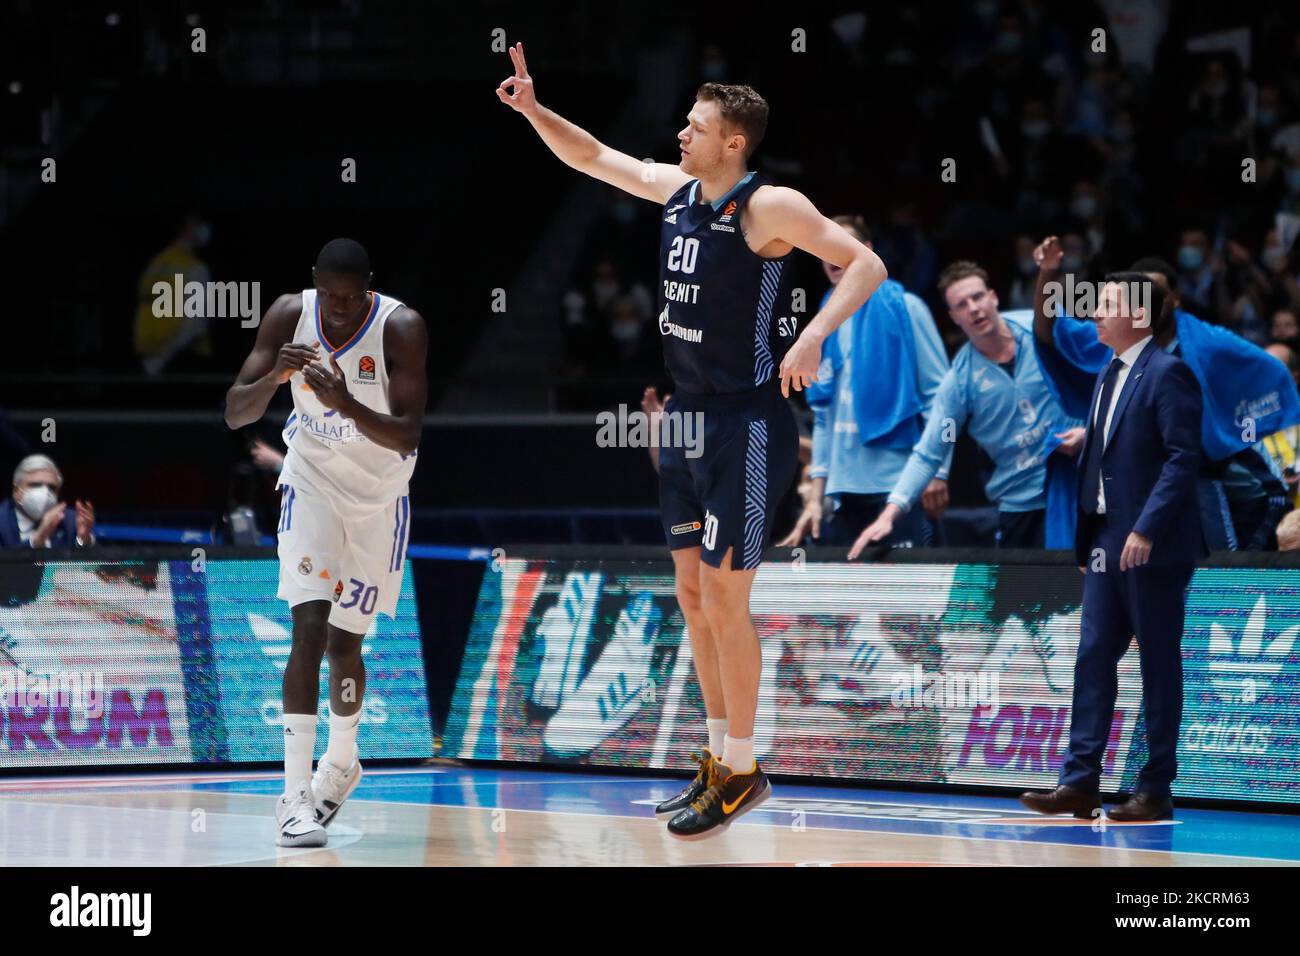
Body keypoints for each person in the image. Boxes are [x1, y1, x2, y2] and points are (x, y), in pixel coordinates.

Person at [497, 42, 887, 839]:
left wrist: (810, 337)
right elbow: (595, 156)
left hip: (746, 423)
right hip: (684, 419)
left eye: (696, 125)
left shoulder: (769, 207)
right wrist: (535, 112)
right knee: (690, 598)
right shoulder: (678, 192)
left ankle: (744, 770)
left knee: (725, 599)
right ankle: (715, 760)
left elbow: (865, 265)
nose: (681, 134)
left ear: (733, 141)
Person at [223, 238, 428, 847]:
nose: (338, 309)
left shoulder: (402, 327)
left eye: (350, 296)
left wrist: (345, 403)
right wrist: (275, 377)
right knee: (307, 628)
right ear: (314, 282)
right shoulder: (291, 313)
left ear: (369, 287)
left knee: (346, 648)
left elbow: (409, 435)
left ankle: (341, 762)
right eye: (330, 295)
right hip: (310, 483)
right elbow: (235, 413)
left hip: (378, 499)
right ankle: (292, 796)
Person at [1021, 274, 1204, 821]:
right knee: (1093, 658)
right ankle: (1080, 782)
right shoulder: (1109, 372)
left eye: (1107, 304)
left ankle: (1154, 789)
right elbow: (1102, 456)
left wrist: (1145, 528)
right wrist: (1088, 534)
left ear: (1141, 317)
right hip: (1104, 540)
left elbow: (1182, 459)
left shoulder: (1170, 374)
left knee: (1157, 665)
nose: (1094, 311)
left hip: (1153, 544)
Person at [849, 261, 1085, 556]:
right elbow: (931, 451)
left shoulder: (1041, 329)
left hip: (1079, 486)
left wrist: (1090, 432)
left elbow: (1100, 367)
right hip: (1022, 507)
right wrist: (888, 515)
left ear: (994, 297)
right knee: (1030, 600)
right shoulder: (959, 384)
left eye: (977, 297)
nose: (973, 308)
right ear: (954, 317)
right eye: (961, 305)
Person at [781, 215, 950, 549]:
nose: (831, 255)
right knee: (850, 599)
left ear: (867, 251)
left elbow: (940, 398)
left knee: (908, 597)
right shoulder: (822, 322)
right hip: (842, 490)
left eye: (841, 245)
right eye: (823, 247)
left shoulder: (906, 307)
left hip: (899, 485)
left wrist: (938, 471)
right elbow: (825, 414)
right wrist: (817, 496)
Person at [0, 455, 95, 549]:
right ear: (16, 490)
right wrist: (36, 541)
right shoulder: (2, 521)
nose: (44, 493)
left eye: (52, 488)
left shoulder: (71, 520)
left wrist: (83, 540)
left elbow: (90, 562)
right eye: (35, 485)